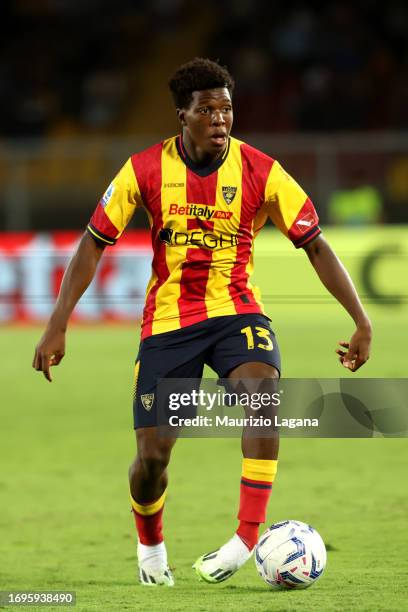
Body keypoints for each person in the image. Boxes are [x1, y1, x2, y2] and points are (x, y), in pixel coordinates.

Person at [33, 58, 372, 587]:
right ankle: (150, 549)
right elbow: (92, 244)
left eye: (227, 109)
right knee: (152, 458)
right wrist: (58, 323)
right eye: (207, 110)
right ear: (182, 117)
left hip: (238, 311)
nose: (220, 119)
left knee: (263, 401)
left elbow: (317, 246)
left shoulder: (261, 170)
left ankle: (245, 538)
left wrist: (360, 320)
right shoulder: (143, 169)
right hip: (169, 322)